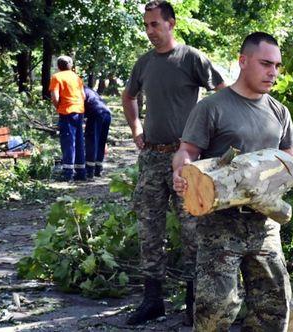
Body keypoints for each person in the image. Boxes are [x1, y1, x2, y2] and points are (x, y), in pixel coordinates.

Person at [172, 32, 293, 331]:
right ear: (243, 61)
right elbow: (187, 151)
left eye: (277, 66)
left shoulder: (279, 111)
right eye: (265, 64)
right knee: (216, 309)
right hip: (220, 224)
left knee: (274, 307)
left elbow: (287, 156)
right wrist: (182, 172)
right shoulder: (212, 107)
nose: (273, 72)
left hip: (265, 222)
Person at [121, 0, 225, 326]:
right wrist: (136, 130)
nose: (150, 31)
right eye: (147, 25)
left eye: (155, 24)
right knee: (149, 231)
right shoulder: (144, 63)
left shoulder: (190, 58)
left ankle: (195, 304)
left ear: (171, 23)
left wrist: (206, 138)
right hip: (152, 157)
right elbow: (129, 96)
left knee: (192, 230)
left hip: (186, 159)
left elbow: (221, 92)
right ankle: (153, 301)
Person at [49, 55, 86, 181]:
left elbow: (55, 97)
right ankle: (81, 172)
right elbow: (83, 96)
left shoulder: (57, 77)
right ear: (70, 65)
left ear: (59, 66)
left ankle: (68, 173)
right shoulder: (77, 77)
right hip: (79, 111)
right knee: (79, 140)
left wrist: (58, 107)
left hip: (66, 112)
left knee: (68, 142)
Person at [84, 85, 111, 178]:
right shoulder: (90, 91)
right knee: (101, 141)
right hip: (107, 113)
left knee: (91, 141)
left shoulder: (80, 90)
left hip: (96, 113)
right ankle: (98, 169)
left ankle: (89, 171)